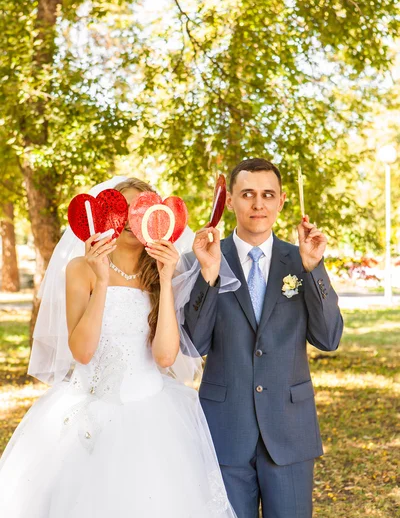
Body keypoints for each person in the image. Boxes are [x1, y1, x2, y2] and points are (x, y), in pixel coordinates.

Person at [0, 177, 238, 518]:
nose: (129, 218)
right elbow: (82, 353)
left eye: (140, 210)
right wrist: (101, 281)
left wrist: (167, 279)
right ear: (104, 214)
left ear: (154, 217)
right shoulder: (80, 269)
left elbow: (165, 356)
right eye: (120, 209)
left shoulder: (162, 273)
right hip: (87, 415)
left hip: (153, 414)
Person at [184, 158, 344, 518]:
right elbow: (194, 345)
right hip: (225, 432)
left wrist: (313, 268)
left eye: (268, 194)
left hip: (290, 431)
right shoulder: (205, 258)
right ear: (230, 201)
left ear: (282, 200)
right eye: (248, 194)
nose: (258, 204)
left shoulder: (301, 259)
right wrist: (208, 275)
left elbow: (329, 338)